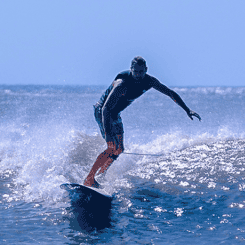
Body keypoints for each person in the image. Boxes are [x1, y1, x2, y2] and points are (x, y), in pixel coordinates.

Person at [84, 56, 200, 187]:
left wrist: (187, 109)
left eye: (141, 71)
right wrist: (109, 134)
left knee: (119, 149)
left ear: (146, 69)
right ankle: (89, 178)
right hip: (103, 111)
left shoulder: (149, 81)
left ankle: (101, 174)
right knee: (112, 147)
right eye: (135, 71)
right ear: (131, 69)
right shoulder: (122, 83)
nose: (138, 75)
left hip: (115, 113)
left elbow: (170, 93)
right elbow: (106, 108)